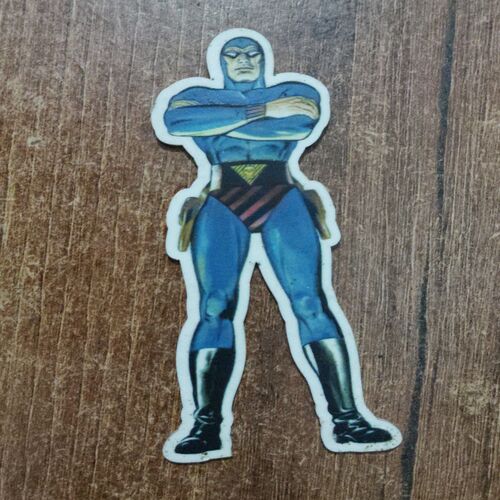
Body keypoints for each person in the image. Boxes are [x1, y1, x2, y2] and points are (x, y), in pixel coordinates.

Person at [153, 30, 401, 461]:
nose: (243, 60)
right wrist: (261, 112)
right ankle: (205, 426)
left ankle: (347, 420)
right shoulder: (194, 95)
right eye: (233, 54)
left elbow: (299, 122)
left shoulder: (295, 90)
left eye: (251, 53)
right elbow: (177, 123)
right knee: (214, 306)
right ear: (222, 62)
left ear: (263, 59)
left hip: (281, 195)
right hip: (221, 199)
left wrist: (223, 119)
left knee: (310, 301)